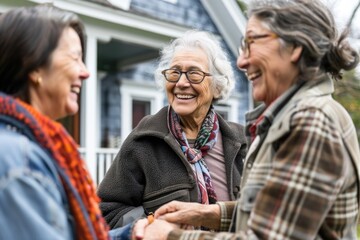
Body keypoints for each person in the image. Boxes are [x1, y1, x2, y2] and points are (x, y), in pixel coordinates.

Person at [131, 0, 360, 239]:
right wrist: (208, 213)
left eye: (252, 42)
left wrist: (170, 235)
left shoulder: (311, 121)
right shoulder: (291, 118)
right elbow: (274, 212)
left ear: (294, 46)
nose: (242, 61)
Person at [0, 4, 129, 240]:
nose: (86, 72)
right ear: (34, 65)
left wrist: (133, 233)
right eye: (75, 58)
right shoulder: (18, 160)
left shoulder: (35, 145)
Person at [97, 30, 248, 229]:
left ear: (217, 87)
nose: (181, 83)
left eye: (194, 73)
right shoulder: (144, 140)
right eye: (175, 72)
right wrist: (152, 225)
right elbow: (106, 211)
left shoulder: (241, 141)